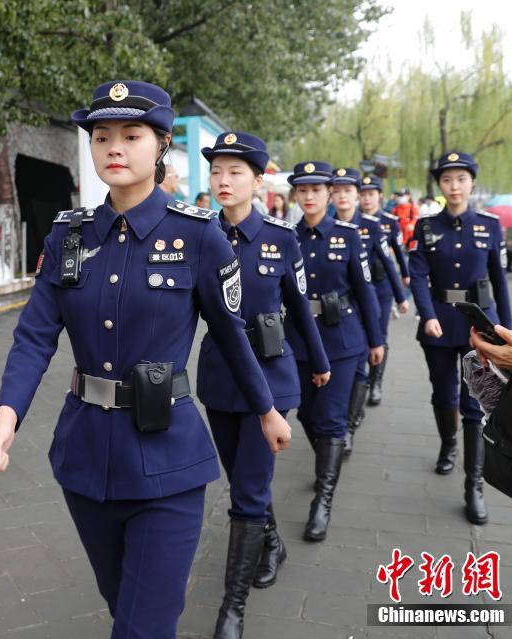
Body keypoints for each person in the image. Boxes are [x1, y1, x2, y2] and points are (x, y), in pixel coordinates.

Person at [0, 81, 292, 639]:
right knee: (123, 602)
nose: (114, 148)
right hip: (85, 457)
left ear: (162, 144)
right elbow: (34, 335)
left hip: (168, 457)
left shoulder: (198, 236)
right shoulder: (68, 236)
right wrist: (7, 415)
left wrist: (266, 410)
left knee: (143, 625)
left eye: (131, 135)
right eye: (102, 137)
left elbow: (231, 334)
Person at [198, 132, 330, 637]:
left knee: (250, 489)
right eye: (217, 171)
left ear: (257, 182)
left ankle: (232, 611)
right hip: (220, 376)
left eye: (235, 172)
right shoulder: (199, 237)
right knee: (240, 477)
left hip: (272, 376)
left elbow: (298, 305)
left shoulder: (281, 238)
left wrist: (319, 362)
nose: (224, 180)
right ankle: (270, 541)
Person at [408, 150, 512, 525]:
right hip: (438, 323)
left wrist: (506, 332)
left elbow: (500, 281)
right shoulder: (426, 227)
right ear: (439, 184)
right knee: (443, 393)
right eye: (447, 179)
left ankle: (474, 486)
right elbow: (417, 274)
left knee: (474, 402)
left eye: (461, 179)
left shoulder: (489, 226)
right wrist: (427, 315)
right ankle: (448, 444)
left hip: (478, 326)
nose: (454, 186)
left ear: (472, 183)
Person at [285, 161, 384, 542]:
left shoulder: (349, 235)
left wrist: (375, 340)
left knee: (330, 419)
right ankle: (328, 457)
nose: (309, 196)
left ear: (329, 193)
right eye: (302, 190)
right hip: (297, 338)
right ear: (296, 194)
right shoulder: (285, 236)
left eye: (316, 189)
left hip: (341, 338)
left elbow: (364, 290)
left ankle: (322, 501)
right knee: (306, 413)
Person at [330, 168, 409, 456]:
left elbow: (389, 262)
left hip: (376, 293)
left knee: (373, 343)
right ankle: (350, 405)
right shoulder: (327, 223)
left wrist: (401, 295)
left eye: (368, 194)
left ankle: (367, 394)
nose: (365, 199)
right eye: (338, 191)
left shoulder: (375, 225)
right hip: (342, 301)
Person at [359, 175, 411, 407]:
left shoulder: (389, 222)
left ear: (379, 196)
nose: (367, 199)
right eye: (363, 194)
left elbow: (397, 253)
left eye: (371, 194)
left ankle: (375, 382)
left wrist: (404, 279)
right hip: (357, 286)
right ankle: (359, 381)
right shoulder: (350, 220)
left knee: (378, 334)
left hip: (381, 286)